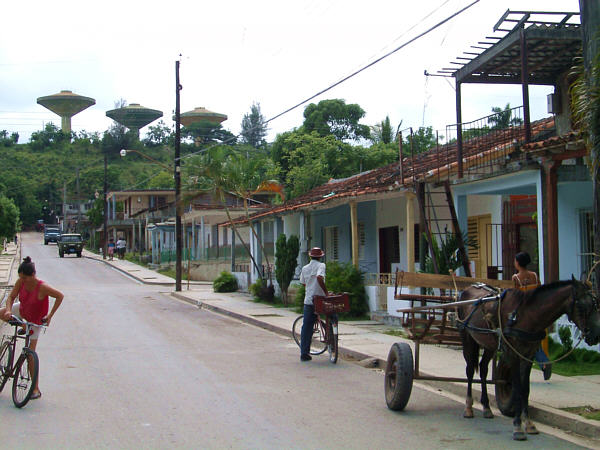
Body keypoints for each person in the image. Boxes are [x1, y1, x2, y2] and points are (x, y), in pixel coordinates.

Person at [0, 256, 64, 400]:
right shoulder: (20, 282)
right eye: (21, 278)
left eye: (25, 278)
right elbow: (11, 297)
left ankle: (35, 389)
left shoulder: (42, 286)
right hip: (22, 311)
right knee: (1, 313)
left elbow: (60, 296)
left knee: (30, 354)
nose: (23, 281)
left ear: (33, 275)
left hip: (35, 320)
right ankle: (16, 331)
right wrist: (9, 310)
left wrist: (50, 316)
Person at [512, 251, 551, 380]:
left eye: (515, 261)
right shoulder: (534, 275)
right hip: (536, 312)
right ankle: (544, 362)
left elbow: (516, 297)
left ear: (518, 263)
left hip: (524, 313)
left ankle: (524, 368)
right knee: (535, 341)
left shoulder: (515, 278)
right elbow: (539, 292)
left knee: (519, 341)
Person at [299, 247, 329, 361]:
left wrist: (311, 288)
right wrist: (325, 292)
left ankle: (304, 353)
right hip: (321, 299)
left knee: (306, 327)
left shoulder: (305, 268)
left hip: (309, 301)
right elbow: (319, 277)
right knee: (331, 316)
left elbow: (303, 283)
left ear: (310, 256)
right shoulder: (321, 266)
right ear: (320, 256)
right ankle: (330, 337)